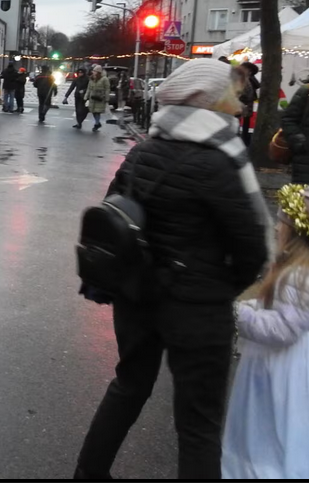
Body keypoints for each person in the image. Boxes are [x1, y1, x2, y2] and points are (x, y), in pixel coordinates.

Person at [74, 58, 270, 480]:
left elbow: (113, 214)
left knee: (128, 386)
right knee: (198, 421)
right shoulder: (221, 162)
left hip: (137, 296)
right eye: (232, 93)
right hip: (198, 309)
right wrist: (223, 285)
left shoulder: (142, 152)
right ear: (210, 100)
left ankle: (89, 473)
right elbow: (251, 246)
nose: (239, 100)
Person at [222, 183, 309, 478]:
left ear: (293, 234)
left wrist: (237, 314)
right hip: (274, 364)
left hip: (281, 369)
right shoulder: (292, 271)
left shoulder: (296, 276)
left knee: (269, 428)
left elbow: (285, 328)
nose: (275, 227)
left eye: (281, 222)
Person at [237, 62, 259, 146]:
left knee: (241, 124)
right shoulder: (246, 79)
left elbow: (246, 94)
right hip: (242, 106)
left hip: (241, 106)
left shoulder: (244, 79)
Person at [85, 66, 110, 132]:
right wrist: (86, 96)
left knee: (97, 111)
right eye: (93, 71)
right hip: (92, 97)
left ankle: (96, 124)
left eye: (94, 71)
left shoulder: (104, 79)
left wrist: (107, 98)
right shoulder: (92, 78)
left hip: (100, 98)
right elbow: (89, 88)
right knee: (93, 111)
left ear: (98, 72)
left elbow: (107, 89)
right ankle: (97, 123)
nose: (93, 72)